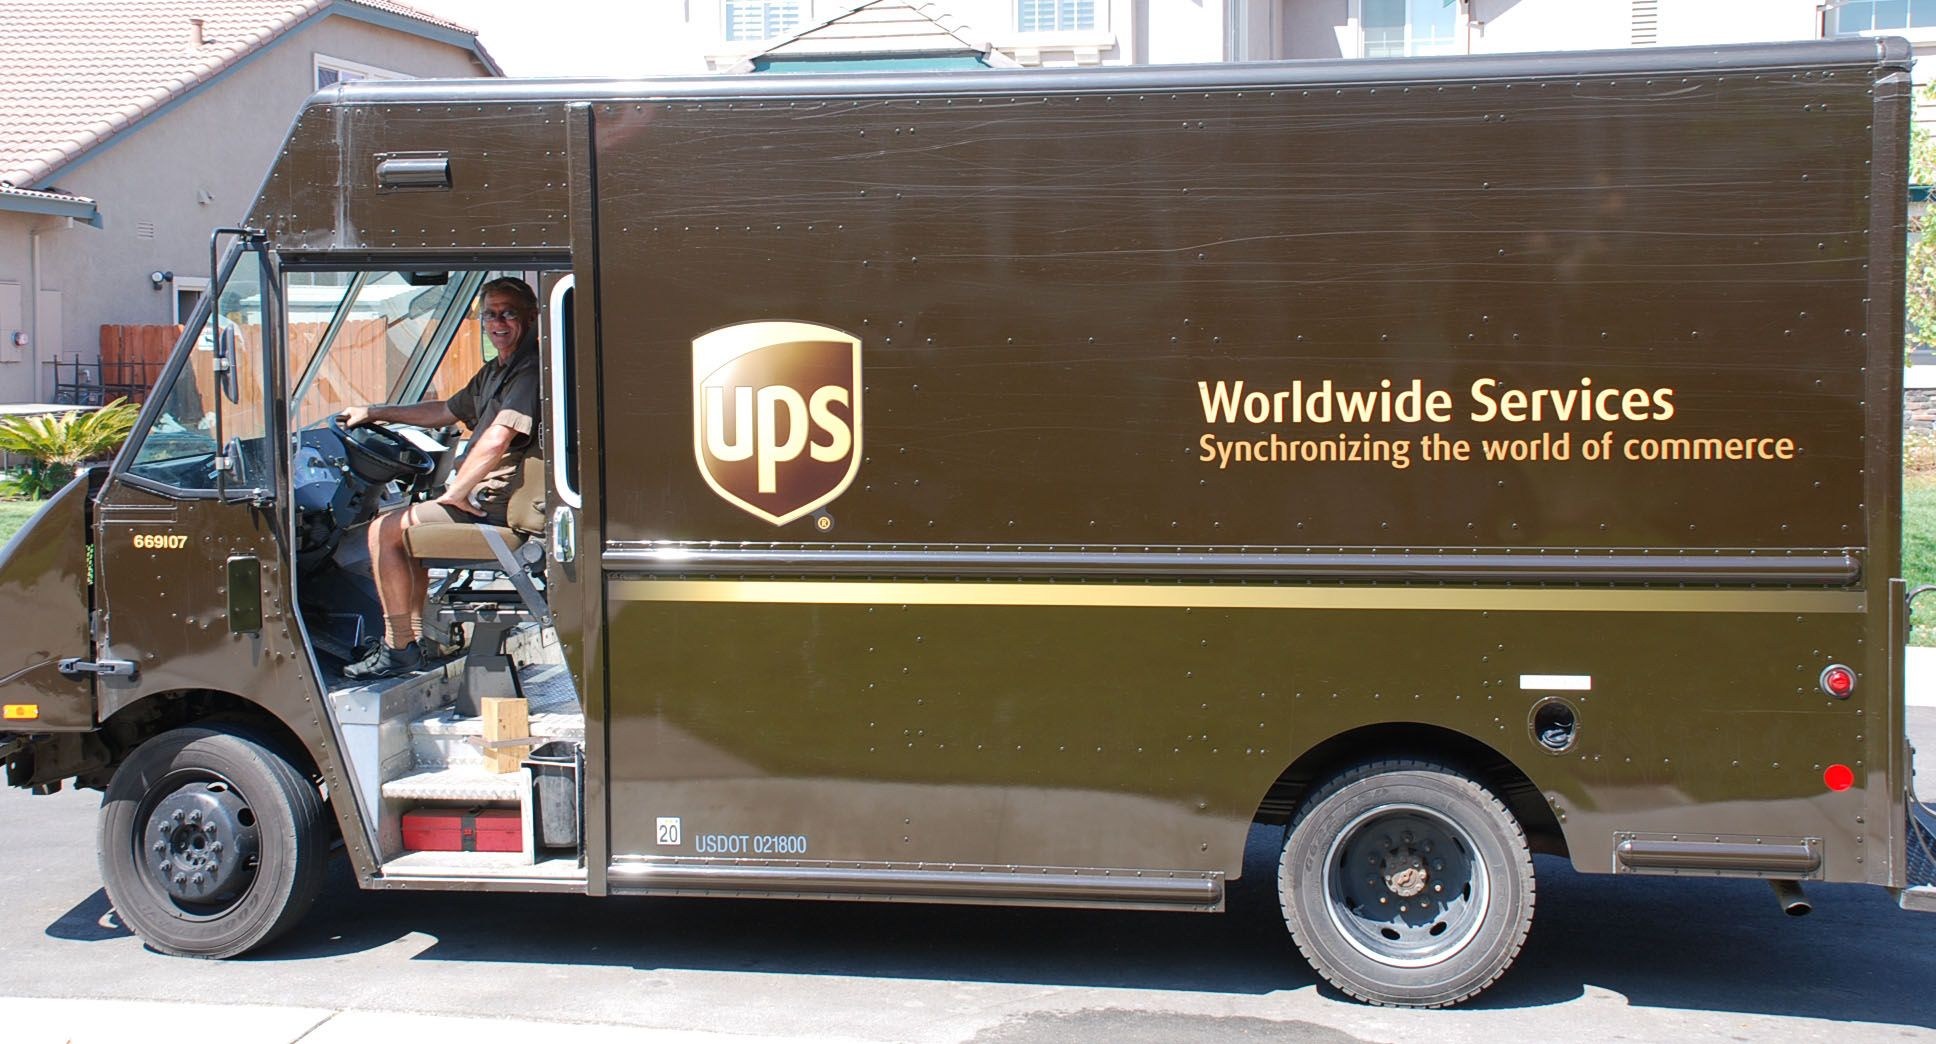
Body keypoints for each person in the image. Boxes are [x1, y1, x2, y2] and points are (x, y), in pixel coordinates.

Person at [339, 276, 542, 680]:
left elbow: (498, 438)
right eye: (490, 315)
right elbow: (444, 411)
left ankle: (398, 649)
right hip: (485, 498)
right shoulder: (497, 370)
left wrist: (456, 492)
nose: (498, 323)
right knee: (403, 532)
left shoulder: (530, 370)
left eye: (509, 314)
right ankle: (414, 641)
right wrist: (376, 412)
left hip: (492, 505)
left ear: (532, 317)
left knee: (383, 531)